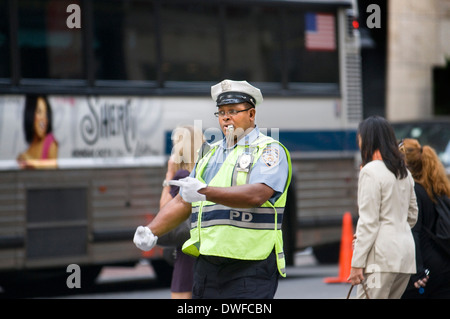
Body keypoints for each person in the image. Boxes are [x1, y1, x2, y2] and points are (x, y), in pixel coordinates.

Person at [133, 79, 292, 299]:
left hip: (249, 265)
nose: (226, 117)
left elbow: (258, 194)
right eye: (221, 112)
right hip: (208, 266)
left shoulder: (269, 151)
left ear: (252, 114)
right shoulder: (208, 155)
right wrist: (152, 230)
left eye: (233, 111)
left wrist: (205, 191)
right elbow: (182, 201)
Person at [348, 115, 418, 299]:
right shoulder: (404, 171)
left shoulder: (370, 172)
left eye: (360, 137)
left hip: (380, 259)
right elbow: (412, 215)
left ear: (368, 139)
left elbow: (369, 222)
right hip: (405, 256)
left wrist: (357, 263)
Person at [399, 138, 450, 298]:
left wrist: (417, 271)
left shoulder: (413, 191)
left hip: (426, 269)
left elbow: (414, 232)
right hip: (444, 263)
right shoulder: (438, 188)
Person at [157, 125, 204, 299]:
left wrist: (169, 174)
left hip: (187, 249)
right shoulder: (204, 173)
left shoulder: (182, 176)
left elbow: (165, 210)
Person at [17, 94, 58, 169]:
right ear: (30, 114)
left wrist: (32, 164)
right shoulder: (27, 151)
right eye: (39, 112)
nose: (43, 119)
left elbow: (54, 165)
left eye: (45, 113)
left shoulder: (50, 143)